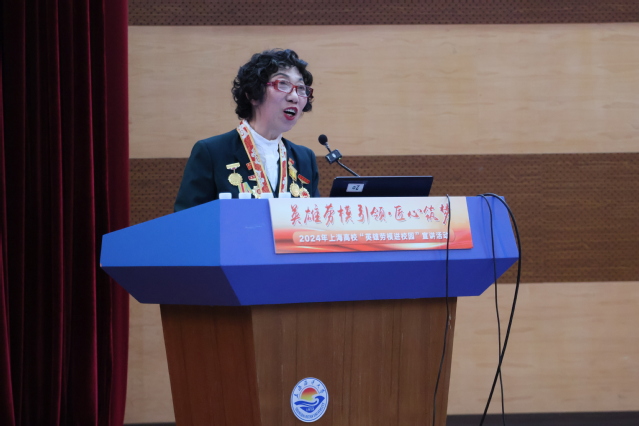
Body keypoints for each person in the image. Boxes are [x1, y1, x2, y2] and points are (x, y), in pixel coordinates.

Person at [174, 49, 320, 212]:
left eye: (301, 88)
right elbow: (187, 221)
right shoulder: (211, 153)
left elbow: (314, 221)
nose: (295, 97)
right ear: (252, 95)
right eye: (283, 84)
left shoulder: (305, 158)